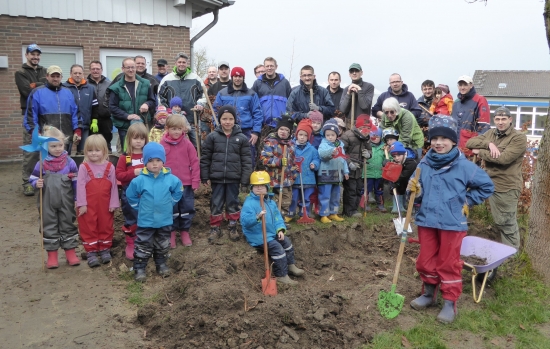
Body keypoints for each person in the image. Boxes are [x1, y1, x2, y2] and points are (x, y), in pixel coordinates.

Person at [408, 115, 494, 324]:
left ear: (454, 141)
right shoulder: (425, 163)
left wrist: (467, 201)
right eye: (434, 138)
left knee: (448, 262)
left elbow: (487, 186)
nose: (438, 143)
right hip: (426, 220)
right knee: (426, 259)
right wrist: (414, 191)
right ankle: (429, 294)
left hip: (453, 222)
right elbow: (415, 186)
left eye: (444, 139)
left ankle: (449, 302)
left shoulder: (464, 167)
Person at [466, 107, 527, 249]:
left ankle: (511, 256)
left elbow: (504, 159)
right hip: (485, 181)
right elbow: (470, 143)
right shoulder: (490, 134)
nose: (500, 122)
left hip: (505, 185)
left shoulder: (518, 137)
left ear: (510, 120)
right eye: (498, 119)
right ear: (494, 120)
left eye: (504, 119)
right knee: (464, 202)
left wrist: (481, 152)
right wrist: (488, 144)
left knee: (505, 222)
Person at [126, 142, 183, 282]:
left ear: (163, 161)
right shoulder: (139, 180)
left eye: (158, 160)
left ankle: (161, 264)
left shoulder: (171, 179)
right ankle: (140, 267)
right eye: (151, 161)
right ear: (145, 162)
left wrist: (171, 202)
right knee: (143, 243)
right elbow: (130, 194)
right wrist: (139, 207)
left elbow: (179, 190)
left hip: (164, 219)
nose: (155, 164)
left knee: (163, 243)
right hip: (146, 220)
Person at [241, 171, 305, 285]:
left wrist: (280, 229)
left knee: (286, 242)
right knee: (277, 249)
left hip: (271, 233)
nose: (259, 188)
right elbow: (245, 222)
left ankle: (290, 265)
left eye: (262, 186)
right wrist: (257, 217)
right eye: (256, 186)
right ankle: (281, 275)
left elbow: (277, 218)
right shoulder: (249, 203)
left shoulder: (270, 202)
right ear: (252, 188)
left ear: (267, 187)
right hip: (258, 236)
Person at [29, 126, 80, 269]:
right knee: (49, 224)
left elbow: (76, 181)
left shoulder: (70, 162)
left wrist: (76, 198)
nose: (57, 148)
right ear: (45, 146)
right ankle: (52, 256)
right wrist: (36, 182)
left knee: (67, 223)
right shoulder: (41, 163)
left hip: (66, 201)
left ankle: (71, 253)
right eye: (53, 146)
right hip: (47, 202)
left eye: (60, 145)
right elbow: (32, 177)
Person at [200, 106, 252, 243]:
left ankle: (232, 225)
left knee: (233, 202)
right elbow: (205, 158)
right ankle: (215, 227)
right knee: (216, 202)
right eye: (224, 119)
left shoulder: (241, 139)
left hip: (233, 178)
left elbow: (247, 160)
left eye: (230, 119)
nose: (227, 122)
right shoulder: (212, 137)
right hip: (216, 177)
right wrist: (205, 176)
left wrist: (245, 179)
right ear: (219, 119)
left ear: (235, 120)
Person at [76, 135, 119, 267]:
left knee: (106, 225)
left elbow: (114, 187)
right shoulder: (84, 167)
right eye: (90, 150)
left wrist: (114, 203)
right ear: (85, 151)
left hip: (105, 205)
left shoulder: (110, 167)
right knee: (89, 226)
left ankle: (105, 249)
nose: (93, 153)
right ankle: (91, 252)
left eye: (97, 150)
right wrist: (81, 204)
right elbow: (80, 186)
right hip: (88, 206)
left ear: (104, 151)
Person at [160, 114, 200, 248]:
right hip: (168, 185)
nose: (176, 132)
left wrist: (195, 181)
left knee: (187, 207)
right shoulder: (162, 144)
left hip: (186, 184)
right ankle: (171, 233)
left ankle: (184, 231)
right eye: (173, 129)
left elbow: (194, 163)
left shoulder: (187, 144)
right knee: (171, 208)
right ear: (167, 129)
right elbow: (158, 164)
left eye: (179, 129)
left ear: (183, 129)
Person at [24, 65, 81, 153]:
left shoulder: (69, 93)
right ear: (47, 76)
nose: (55, 79)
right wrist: (34, 132)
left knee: (64, 164)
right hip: (45, 139)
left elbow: (76, 114)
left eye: (58, 76)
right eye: (52, 76)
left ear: (61, 77)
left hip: (65, 139)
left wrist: (77, 130)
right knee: (47, 165)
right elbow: (30, 116)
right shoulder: (37, 92)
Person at [214, 67, 263, 167]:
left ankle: (247, 180)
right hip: (226, 131)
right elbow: (216, 111)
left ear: (243, 78)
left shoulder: (251, 94)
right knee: (229, 158)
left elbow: (257, 113)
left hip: (246, 131)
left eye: (240, 76)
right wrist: (217, 126)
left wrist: (256, 132)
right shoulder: (222, 93)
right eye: (235, 76)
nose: (237, 79)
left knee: (248, 158)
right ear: (232, 77)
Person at [16, 43, 47, 196]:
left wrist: (37, 85)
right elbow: (27, 91)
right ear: (27, 55)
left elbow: (46, 87)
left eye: (37, 54)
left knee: (45, 148)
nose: (35, 57)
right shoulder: (20, 72)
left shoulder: (44, 70)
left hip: (44, 115)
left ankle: (41, 179)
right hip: (29, 116)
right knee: (31, 151)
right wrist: (40, 85)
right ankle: (27, 182)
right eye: (32, 54)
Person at [157, 52, 205, 148]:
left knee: (196, 146)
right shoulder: (167, 79)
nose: (181, 64)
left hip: (192, 120)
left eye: (184, 62)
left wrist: (200, 104)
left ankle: (196, 162)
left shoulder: (196, 78)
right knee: (174, 146)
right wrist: (168, 112)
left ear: (187, 63)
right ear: (176, 63)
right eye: (179, 62)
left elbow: (204, 95)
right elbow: (160, 98)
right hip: (173, 122)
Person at [115, 122, 148, 260]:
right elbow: (119, 175)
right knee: (131, 218)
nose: (139, 141)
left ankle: (145, 242)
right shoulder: (125, 157)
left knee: (146, 218)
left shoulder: (148, 155)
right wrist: (133, 172)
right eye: (135, 138)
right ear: (129, 139)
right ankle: (131, 242)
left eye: (141, 138)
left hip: (147, 193)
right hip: (130, 193)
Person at [108, 57, 155, 148]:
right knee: (127, 152)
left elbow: (152, 100)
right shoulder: (116, 87)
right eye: (128, 67)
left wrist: (147, 104)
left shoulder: (145, 83)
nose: (131, 70)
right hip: (124, 126)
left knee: (143, 150)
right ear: (123, 69)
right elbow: (112, 107)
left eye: (132, 67)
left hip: (142, 124)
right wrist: (127, 116)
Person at [260, 115, 297, 220]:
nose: (283, 132)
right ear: (277, 129)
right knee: (277, 200)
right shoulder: (271, 142)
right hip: (275, 178)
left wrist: (294, 172)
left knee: (287, 200)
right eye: (281, 129)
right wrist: (278, 161)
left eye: (286, 130)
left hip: (287, 178)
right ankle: (274, 219)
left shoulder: (291, 144)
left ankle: (282, 219)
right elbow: (264, 159)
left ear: (290, 133)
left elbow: (293, 161)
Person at [317, 118, 349, 223]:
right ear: (325, 135)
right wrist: (331, 151)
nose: (330, 137)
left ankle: (333, 213)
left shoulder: (340, 145)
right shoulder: (323, 144)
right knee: (325, 195)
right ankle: (323, 214)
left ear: (336, 135)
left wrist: (346, 171)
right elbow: (322, 155)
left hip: (337, 174)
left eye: (332, 135)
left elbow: (343, 159)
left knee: (335, 195)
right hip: (325, 174)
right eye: (328, 135)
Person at [287, 119, 320, 221]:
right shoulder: (291, 148)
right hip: (295, 178)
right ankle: (290, 213)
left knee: (306, 198)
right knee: (294, 197)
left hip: (308, 178)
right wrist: (292, 166)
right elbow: (288, 159)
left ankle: (304, 213)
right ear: (296, 135)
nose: (302, 137)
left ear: (309, 137)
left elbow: (317, 159)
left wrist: (314, 164)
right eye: (300, 134)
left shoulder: (312, 149)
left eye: (305, 135)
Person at [63, 64, 99, 155]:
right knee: (65, 152)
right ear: (70, 74)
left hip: (85, 125)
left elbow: (95, 106)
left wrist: (94, 121)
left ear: (83, 74)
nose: (77, 75)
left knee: (83, 152)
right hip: (67, 126)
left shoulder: (90, 88)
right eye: (75, 73)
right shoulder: (63, 87)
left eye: (80, 73)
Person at [341, 114, 372, 217]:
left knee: (358, 189)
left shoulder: (366, 138)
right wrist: (349, 162)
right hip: (349, 170)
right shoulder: (347, 136)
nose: (366, 130)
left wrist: (368, 154)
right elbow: (341, 152)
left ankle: (355, 208)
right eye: (363, 127)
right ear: (358, 127)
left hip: (359, 170)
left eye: (368, 128)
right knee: (351, 190)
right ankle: (349, 211)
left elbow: (369, 150)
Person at [251, 57, 292, 129]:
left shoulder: (284, 82)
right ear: (264, 67)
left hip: (281, 125)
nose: (269, 68)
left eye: (271, 66)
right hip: (263, 125)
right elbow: (252, 103)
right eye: (267, 66)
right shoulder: (258, 83)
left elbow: (291, 103)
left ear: (276, 67)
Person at [451, 75, 491, 146]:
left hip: (470, 145)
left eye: (465, 85)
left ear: (471, 85)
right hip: (455, 144)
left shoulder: (480, 100)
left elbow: (484, 126)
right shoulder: (456, 103)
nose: (462, 88)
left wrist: (479, 145)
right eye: (460, 85)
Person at [87, 60, 113, 152]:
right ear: (90, 70)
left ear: (101, 70)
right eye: (93, 69)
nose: (95, 71)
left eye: (97, 69)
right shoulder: (85, 84)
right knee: (92, 145)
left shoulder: (109, 84)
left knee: (106, 144)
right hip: (90, 120)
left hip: (106, 119)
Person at [339, 64, 375, 128]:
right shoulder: (346, 89)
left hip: (363, 125)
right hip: (349, 125)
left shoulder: (369, 87)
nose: (354, 73)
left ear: (361, 73)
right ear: (349, 74)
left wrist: (359, 90)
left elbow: (364, 106)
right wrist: (348, 94)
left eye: (357, 71)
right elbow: (342, 110)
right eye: (352, 71)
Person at [385, 141, 417, 214]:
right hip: (405, 180)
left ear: (404, 153)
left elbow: (404, 175)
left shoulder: (411, 162)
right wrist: (387, 164)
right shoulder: (399, 160)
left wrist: (395, 181)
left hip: (415, 180)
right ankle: (400, 205)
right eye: (394, 156)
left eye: (399, 155)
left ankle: (413, 208)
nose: (396, 158)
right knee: (400, 186)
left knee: (411, 191)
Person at [364, 126, 387, 212]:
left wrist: (387, 161)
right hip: (368, 172)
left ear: (380, 137)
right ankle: (365, 204)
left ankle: (380, 204)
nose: (375, 138)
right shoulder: (366, 146)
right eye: (373, 136)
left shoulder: (384, 147)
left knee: (379, 190)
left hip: (379, 173)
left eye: (377, 136)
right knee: (366, 189)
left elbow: (389, 157)